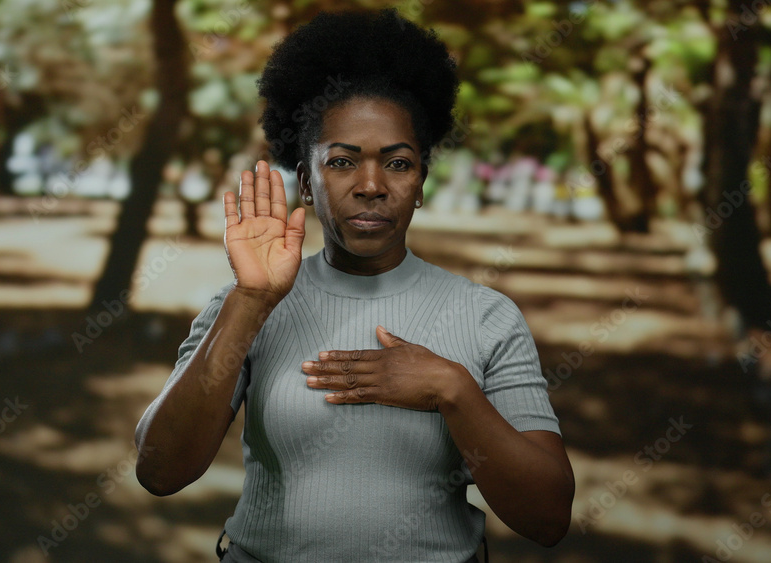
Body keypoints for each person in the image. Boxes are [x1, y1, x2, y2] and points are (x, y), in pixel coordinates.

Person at [134, 8, 574, 562]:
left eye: (397, 163)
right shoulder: (246, 305)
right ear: (307, 182)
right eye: (342, 162)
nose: (371, 186)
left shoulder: (486, 316)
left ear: (420, 183)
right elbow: (160, 470)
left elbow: (549, 517)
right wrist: (251, 301)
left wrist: (452, 390)